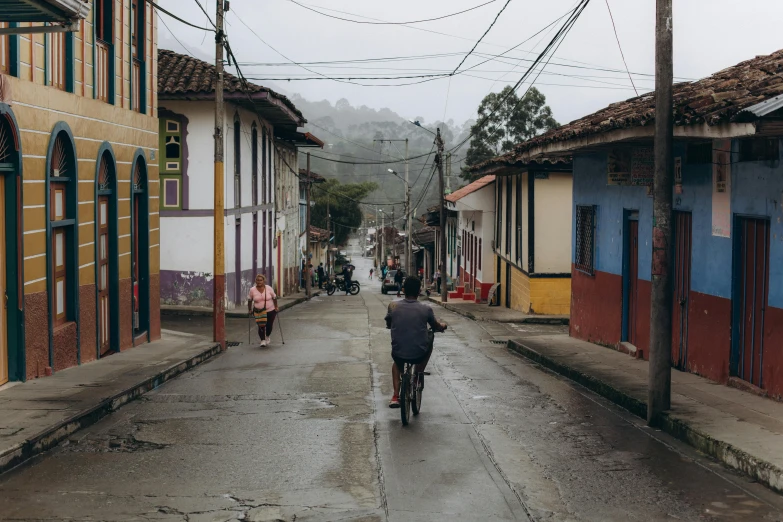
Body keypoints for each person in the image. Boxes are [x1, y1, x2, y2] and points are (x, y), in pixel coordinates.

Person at [385, 276, 446, 407]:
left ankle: (395, 396)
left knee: (397, 364)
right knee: (431, 336)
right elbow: (436, 326)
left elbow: (389, 324)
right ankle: (419, 371)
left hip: (398, 352)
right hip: (419, 354)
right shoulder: (426, 309)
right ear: (419, 291)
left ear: (403, 290)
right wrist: (443, 326)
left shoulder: (393, 306)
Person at [248, 274, 279, 347]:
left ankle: (267, 336)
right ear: (255, 281)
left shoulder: (268, 288)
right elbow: (250, 300)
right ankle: (262, 340)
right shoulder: (252, 290)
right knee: (261, 325)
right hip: (258, 311)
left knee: (269, 325)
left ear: (264, 281)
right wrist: (249, 309)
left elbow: (274, 297)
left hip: (270, 310)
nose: (259, 282)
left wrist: (276, 307)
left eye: (261, 280)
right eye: (257, 280)